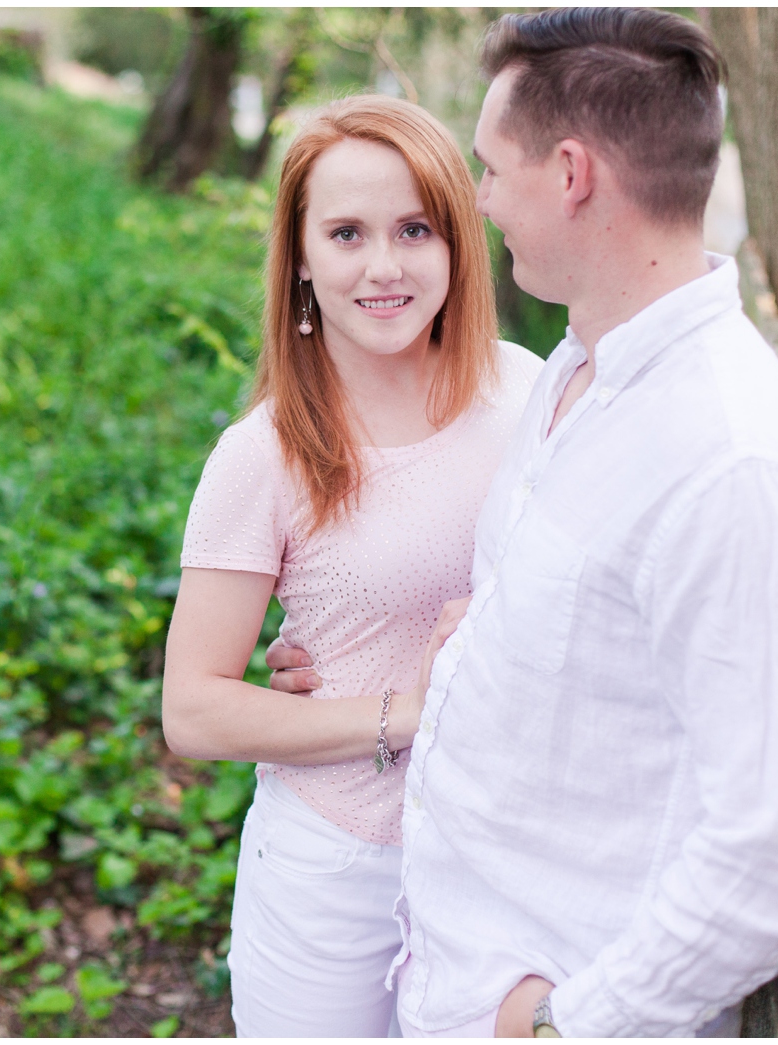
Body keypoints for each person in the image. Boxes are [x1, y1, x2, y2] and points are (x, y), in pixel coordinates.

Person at [266, 9, 778, 1037]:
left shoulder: (735, 462)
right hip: (442, 971)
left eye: (494, 168)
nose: (481, 198)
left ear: (573, 173)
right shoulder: (574, 378)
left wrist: (567, 1026)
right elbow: (570, 633)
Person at [161, 95, 545, 1037]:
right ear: (299, 256)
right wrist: (404, 713)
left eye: (415, 228)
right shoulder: (266, 453)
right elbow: (194, 707)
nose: (384, 265)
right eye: (345, 232)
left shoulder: (530, 391)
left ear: (457, 241)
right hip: (340, 869)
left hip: (509, 858)